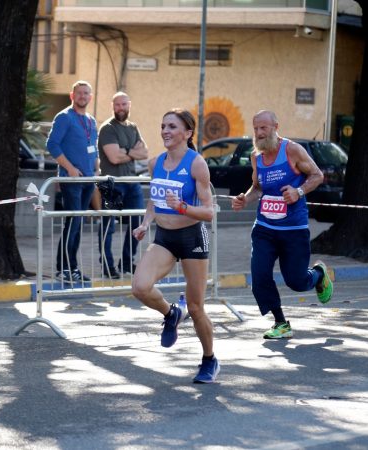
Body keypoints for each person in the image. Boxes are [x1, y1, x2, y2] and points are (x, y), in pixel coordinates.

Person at [132, 108, 219, 384]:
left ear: (188, 133)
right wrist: (146, 223)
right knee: (139, 287)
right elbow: (154, 200)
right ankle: (171, 313)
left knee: (196, 307)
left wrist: (182, 207)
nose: (165, 131)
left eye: (172, 126)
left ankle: (209, 359)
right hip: (164, 239)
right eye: (163, 126)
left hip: (192, 237)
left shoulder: (196, 164)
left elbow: (209, 212)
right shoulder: (155, 162)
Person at [231, 110, 333, 339]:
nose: (258, 133)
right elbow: (257, 188)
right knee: (259, 277)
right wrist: (244, 199)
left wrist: (298, 191)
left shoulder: (292, 150)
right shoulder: (256, 157)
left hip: (293, 230)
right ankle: (280, 323)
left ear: (276, 127)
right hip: (265, 229)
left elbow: (317, 175)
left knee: (296, 281)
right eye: (255, 128)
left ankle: (317, 274)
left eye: (263, 128)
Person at [47, 80, 99, 283]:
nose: (83, 96)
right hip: (71, 180)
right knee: (74, 222)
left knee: (77, 224)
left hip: (88, 180)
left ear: (90, 97)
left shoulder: (91, 120)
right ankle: (65, 268)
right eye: (79, 93)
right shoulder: (64, 117)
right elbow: (52, 145)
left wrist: (96, 171)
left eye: (86, 93)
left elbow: (92, 147)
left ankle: (72, 267)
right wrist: (69, 168)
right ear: (72, 96)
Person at [97, 92, 149, 278]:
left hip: (132, 182)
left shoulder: (133, 127)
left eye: (124, 104)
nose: (121, 108)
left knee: (138, 223)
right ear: (112, 106)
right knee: (108, 226)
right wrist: (131, 152)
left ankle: (127, 263)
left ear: (129, 105)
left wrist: (124, 152)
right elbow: (113, 157)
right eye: (117, 105)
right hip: (112, 184)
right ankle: (107, 265)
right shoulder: (107, 129)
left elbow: (144, 153)